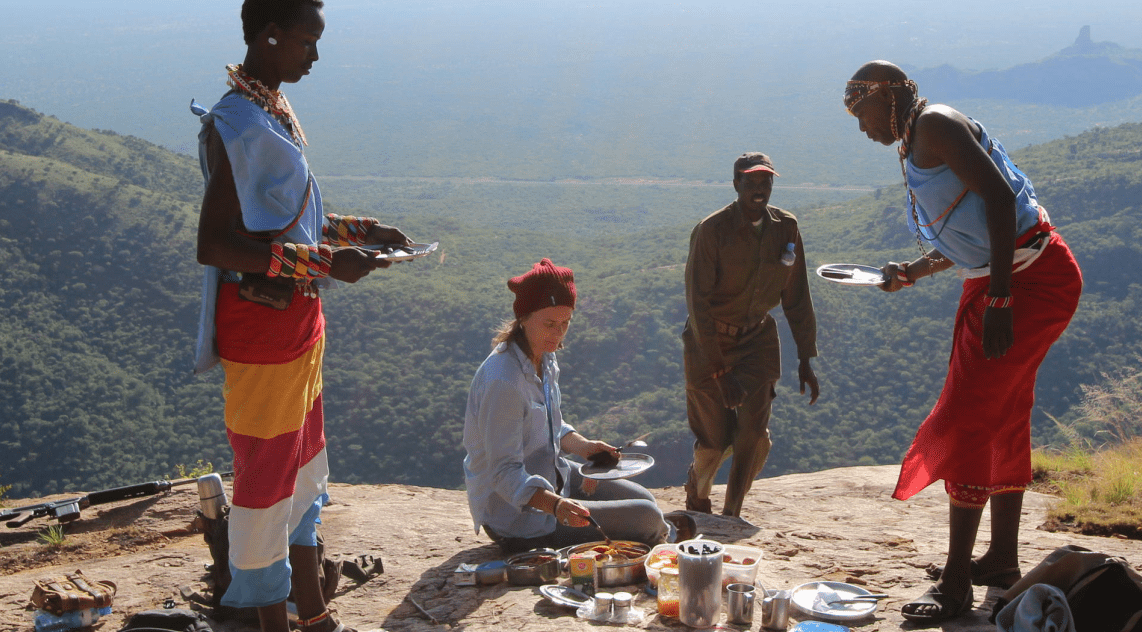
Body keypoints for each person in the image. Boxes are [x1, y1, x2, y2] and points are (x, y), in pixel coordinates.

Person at [842, 60, 1084, 623]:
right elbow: (970, 227)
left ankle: (955, 586)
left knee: (968, 416)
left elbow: (1001, 203)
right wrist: (913, 271)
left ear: (889, 97)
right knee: (1002, 411)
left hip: (1029, 282)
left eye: (863, 112)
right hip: (1006, 278)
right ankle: (1001, 559)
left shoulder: (936, 126)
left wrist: (1000, 298)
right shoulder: (914, 140)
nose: (861, 128)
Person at [191, 2, 408, 631]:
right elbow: (218, 243)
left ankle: (314, 616)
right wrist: (321, 266)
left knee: (305, 469)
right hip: (260, 331)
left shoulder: (269, 110)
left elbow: (289, 220)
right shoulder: (235, 123)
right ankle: (271, 622)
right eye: (307, 42)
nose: (314, 55)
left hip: (297, 327)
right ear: (270, 36)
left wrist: (360, 233)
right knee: (266, 482)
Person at [463, 259, 696, 552]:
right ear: (524, 317)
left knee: (646, 500)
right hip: (519, 517)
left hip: (554, 474)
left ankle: (653, 528)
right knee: (646, 516)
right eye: (549, 323)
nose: (558, 333)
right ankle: (661, 536)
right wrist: (556, 505)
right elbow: (503, 473)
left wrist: (585, 447)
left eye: (565, 323)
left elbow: (550, 426)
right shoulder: (504, 381)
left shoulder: (544, 357)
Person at [681, 152, 821, 519]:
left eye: (766, 182)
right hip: (708, 340)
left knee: (753, 433)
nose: (760, 189)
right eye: (751, 182)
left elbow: (797, 295)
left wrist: (806, 357)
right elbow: (698, 306)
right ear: (736, 184)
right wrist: (719, 372)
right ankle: (698, 490)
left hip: (757, 339)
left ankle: (732, 513)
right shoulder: (713, 231)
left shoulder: (785, 228)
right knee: (715, 440)